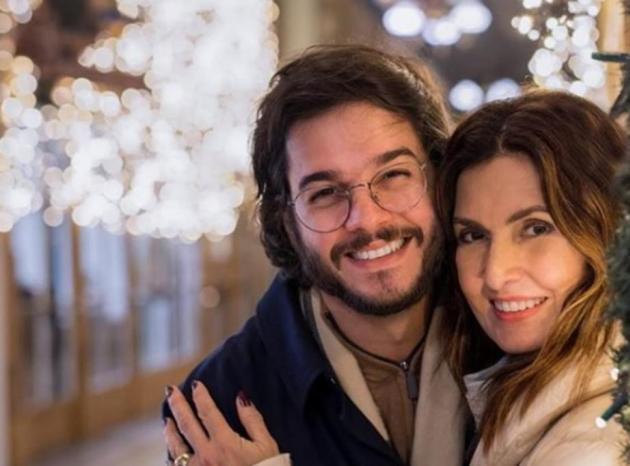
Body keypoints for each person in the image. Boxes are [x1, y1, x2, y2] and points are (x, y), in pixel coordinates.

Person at [162, 44, 470, 466]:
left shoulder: (516, 344)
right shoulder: (220, 402)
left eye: (394, 175)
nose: (367, 220)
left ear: (439, 179)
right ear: (286, 221)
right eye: (325, 193)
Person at [436, 90, 628, 465]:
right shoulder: (523, 395)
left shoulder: (598, 446)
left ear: (607, 230)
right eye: (473, 236)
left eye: (536, 228)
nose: (494, 274)